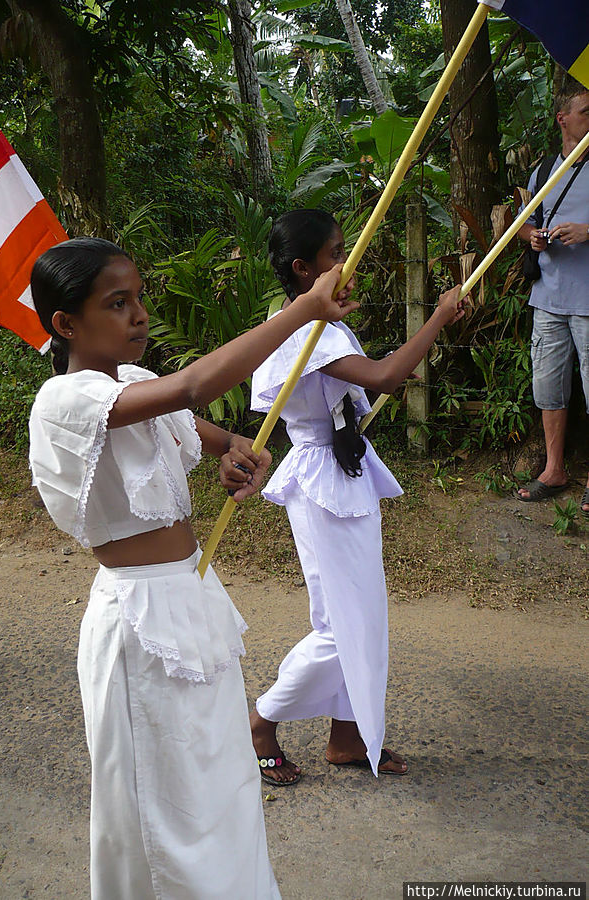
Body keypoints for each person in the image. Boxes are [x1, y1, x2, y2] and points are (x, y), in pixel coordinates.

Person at [27, 236, 359, 900]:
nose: (139, 315)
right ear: (65, 324)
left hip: (189, 602)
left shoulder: (135, 385)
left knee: (218, 789)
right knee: (162, 811)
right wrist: (304, 311)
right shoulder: (65, 402)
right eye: (117, 304)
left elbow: (208, 431)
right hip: (138, 623)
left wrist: (241, 452)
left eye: (139, 298)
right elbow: (198, 383)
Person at [249, 210, 465, 784]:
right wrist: (439, 315)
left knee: (360, 616)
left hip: (342, 470)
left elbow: (365, 383)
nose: (346, 263)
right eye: (335, 254)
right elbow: (386, 375)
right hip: (322, 478)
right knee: (341, 625)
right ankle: (261, 720)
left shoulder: (327, 325)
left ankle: (347, 737)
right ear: (302, 269)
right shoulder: (305, 330)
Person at [516, 80, 589, 517]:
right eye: (586, 110)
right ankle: (554, 470)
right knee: (548, 388)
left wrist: (587, 232)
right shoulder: (545, 172)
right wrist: (535, 238)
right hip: (547, 299)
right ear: (563, 119)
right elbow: (523, 224)